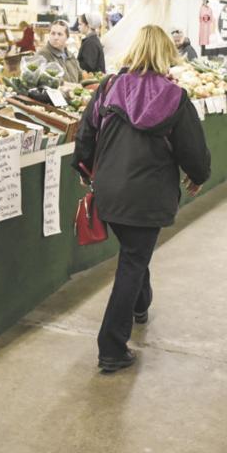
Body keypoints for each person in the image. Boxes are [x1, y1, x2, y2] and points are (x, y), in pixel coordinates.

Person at [72, 24, 211, 373]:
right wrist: (197, 176)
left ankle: (140, 305)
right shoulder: (175, 97)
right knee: (133, 261)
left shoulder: (109, 87)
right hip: (149, 194)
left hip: (110, 191)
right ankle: (111, 348)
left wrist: (86, 169)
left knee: (134, 252)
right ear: (167, 54)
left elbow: (86, 132)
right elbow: (194, 150)